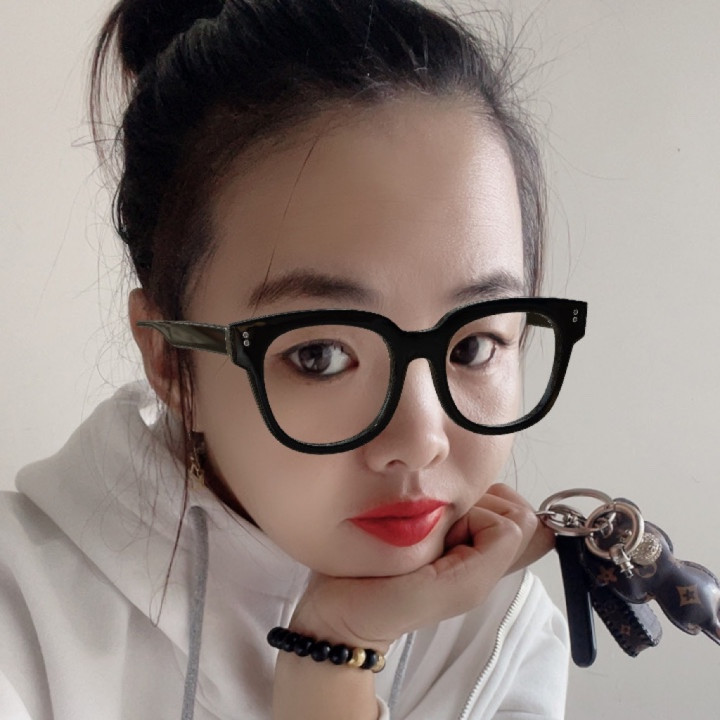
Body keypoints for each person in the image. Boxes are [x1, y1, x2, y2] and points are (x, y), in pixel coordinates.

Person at [0, 1, 588, 718]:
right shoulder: (22, 614)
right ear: (170, 359)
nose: (421, 440)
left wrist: (332, 656)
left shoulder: (499, 634)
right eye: (320, 355)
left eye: (472, 346)